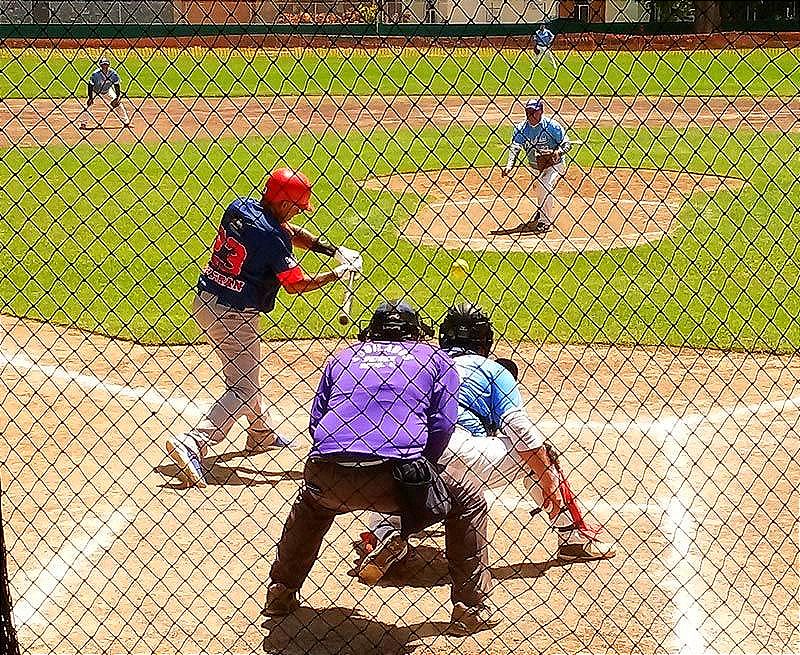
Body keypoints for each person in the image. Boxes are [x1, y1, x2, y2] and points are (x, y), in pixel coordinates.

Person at [262, 300, 501, 636]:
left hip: (326, 473)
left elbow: (316, 422)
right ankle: (470, 608)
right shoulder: (435, 359)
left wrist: (344, 454)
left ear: (371, 333)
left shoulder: (342, 358)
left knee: (311, 505)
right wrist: (423, 469)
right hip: (395, 480)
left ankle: (280, 591)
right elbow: (443, 424)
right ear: (416, 334)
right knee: (468, 500)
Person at [358, 303, 615, 583]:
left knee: (392, 476)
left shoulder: (422, 363)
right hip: (465, 454)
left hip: (410, 459)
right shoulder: (492, 369)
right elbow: (519, 428)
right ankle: (572, 537)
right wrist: (545, 476)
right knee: (539, 454)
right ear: (485, 340)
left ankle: (386, 535)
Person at [165, 168, 363, 488]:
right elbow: (294, 285)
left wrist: (332, 250)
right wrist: (336, 274)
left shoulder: (240, 207)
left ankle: (260, 432)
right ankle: (193, 442)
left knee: (246, 376)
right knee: (242, 388)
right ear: (284, 204)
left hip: (205, 301)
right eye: (297, 207)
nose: (298, 212)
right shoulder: (272, 239)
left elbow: (285, 230)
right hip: (233, 315)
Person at [491, 98, 570, 236]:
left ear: (541, 111)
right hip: (535, 166)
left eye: (533, 112)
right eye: (528, 112)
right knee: (539, 189)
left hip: (555, 165)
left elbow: (567, 144)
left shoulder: (552, 126)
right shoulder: (521, 129)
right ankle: (542, 210)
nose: (530, 115)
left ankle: (545, 223)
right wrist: (510, 165)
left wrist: (559, 152)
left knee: (545, 185)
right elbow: (515, 148)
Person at [78, 56, 131, 130]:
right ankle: (83, 123)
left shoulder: (113, 74)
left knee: (118, 104)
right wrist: (90, 98)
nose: (105, 66)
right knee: (88, 105)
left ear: (108, 65)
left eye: (106, 64)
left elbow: (117, 85)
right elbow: (90, 85)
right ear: (100, 66)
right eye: (103, 65)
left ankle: (126, 122)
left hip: (107, 91)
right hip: (95, 91)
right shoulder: (95, 74)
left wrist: (117, 97)